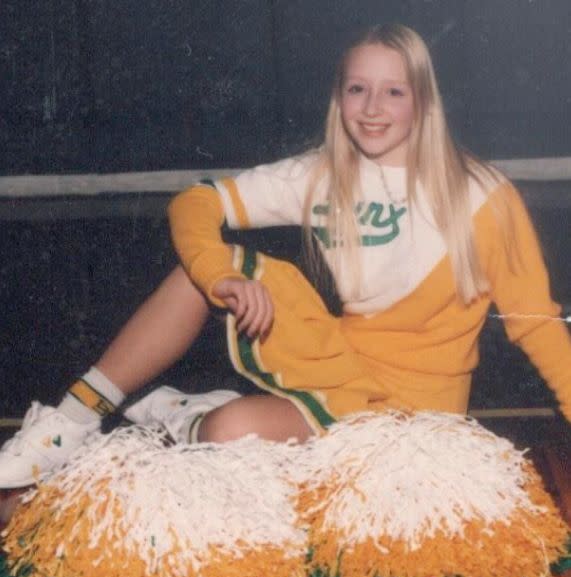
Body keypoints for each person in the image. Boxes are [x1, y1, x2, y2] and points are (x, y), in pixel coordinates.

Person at [1, 23, 570, 489]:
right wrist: (219, 275)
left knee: (227, 435)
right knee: (200, 275)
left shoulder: (480, 195)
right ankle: (66, 424)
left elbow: (538, 326)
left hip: (416, 414)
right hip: (338, 371)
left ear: (423, 99)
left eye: (394, 91)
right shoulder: (323, 175)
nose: (372, 108)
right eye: (357, 89)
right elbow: (196, 202)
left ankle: (181, 411)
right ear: (339, 96)